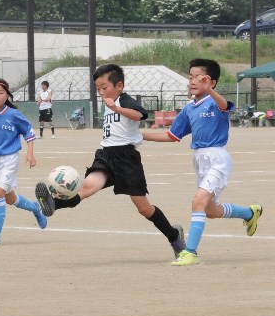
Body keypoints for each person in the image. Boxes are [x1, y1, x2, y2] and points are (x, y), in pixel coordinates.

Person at [35, 63, 185, 260]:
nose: (101, 92)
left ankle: (174, 236)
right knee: (85, 188)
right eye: (98, 89)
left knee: (144, 208)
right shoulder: (108, 103)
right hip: (105, 155)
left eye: (104, 87)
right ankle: (53, 204)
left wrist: (116, 107)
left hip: (127, 159)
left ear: (119, 85)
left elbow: (140, 115)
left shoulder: (124, 100)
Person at [140, 58, 262, 267]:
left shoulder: (215, 102)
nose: (193, 81)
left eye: (199, 78)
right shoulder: (189, 109)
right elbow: (171, 135)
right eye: (190, 77)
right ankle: (249, 213)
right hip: (199, 160)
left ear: (211, 82)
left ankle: (190, 252)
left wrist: (210, 91)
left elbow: (225, 105)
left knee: (198, 201)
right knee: (209, 210)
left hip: (217, 159)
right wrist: (139, 136)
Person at [0, 78, 48, 246]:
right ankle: (36, 208)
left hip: (10, 159)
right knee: (10, 198)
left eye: (1, 92)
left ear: (7, 95)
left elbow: (29, 134)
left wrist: (30, 153)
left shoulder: (14, 114)